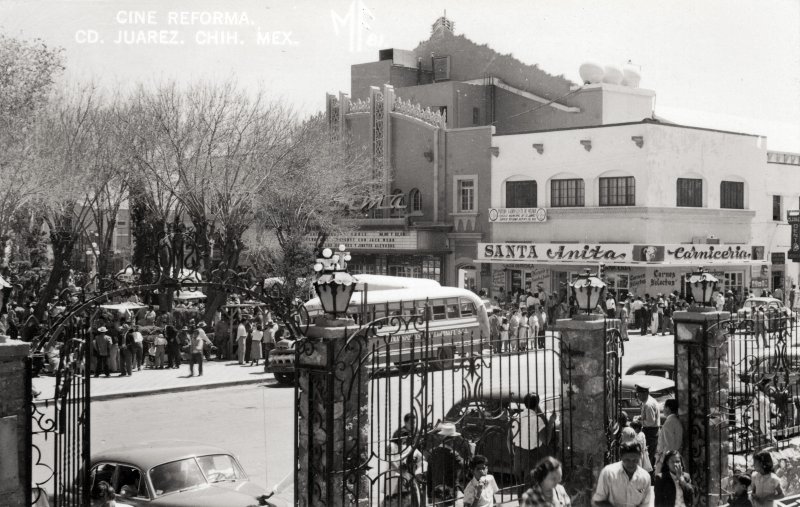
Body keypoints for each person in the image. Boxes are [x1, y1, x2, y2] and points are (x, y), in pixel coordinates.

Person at [592, 441, 651, 507]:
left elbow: (645, 504)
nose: (631, 464)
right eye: (627, 460)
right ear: (621, 457)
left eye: (635, 460)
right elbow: (598, 501)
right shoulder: (608, 473)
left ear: (640, 457)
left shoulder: (645, 477)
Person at [636, 384, 660, 471]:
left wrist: (639, 421)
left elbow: (650, 422)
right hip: (652, 432)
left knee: (648, 458)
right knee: (651, 456)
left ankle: (648, 478)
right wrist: (640, 417)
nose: (637, 396)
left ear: (644, 394)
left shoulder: (648, 404)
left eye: (638, 394)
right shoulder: (648, 401)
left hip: (650, 432)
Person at [654, 399, 682, 472]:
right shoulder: (675, 421)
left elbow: (668, 445)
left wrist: (661, 460)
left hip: (668, 460)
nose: (663, 410)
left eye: (664, 407)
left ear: (668, 408)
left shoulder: (669, 423)